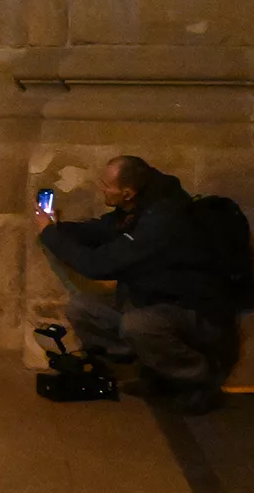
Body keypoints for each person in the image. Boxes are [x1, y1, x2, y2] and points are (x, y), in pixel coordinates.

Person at [37, 156, 239, 414]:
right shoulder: (142, 204)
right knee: (82, 307)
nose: (101, 187)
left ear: (127, 192)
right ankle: (157, 371)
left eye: (106, 184)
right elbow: (102, 229)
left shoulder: (162, 220)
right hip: (151, 300)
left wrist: (49, 234)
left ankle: (200, 379)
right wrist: (57, 227)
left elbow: (98, 265)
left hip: (194, 312)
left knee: (138, 325)